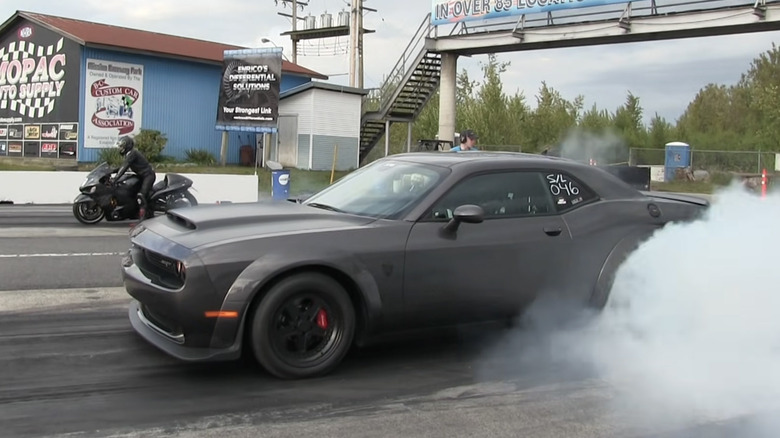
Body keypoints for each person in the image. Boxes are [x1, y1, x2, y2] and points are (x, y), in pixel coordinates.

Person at [111, 135, 156, 218]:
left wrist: (115, 178)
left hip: (148, 176)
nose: (120, 148)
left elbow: (124, 167)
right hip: (141, 176)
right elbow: (123, 166)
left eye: (121, 146)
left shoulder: (133, 153)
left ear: (127, 146)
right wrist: (110, 171)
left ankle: (144, 215)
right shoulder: (129, 154)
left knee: (141, 195)